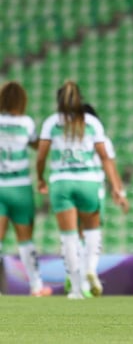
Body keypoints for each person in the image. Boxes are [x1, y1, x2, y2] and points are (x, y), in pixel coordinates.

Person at [36, 81, 129, 299]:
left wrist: (40, 178)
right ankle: (90, 269)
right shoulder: (92, 123)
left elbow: (41, 156)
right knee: (92, 232)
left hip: (61, 182)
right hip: (89, 181)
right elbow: (106, 158)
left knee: (69, 237)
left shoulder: (51, 123)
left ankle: (76, 289)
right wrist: (117, 189)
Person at [64, 103, 129, 297]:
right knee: (92, 234)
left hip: (69, 190)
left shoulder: (68, 140)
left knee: (73, 234)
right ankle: (88, 272)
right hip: (93, 190)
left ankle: (75, 274)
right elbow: (110, 165)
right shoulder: (101, 139)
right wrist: (119, 193)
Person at [0, 81, 52, 296]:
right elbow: (36, 145)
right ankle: (36, 286)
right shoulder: (26, 123)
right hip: (20, 187)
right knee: (25, 240)